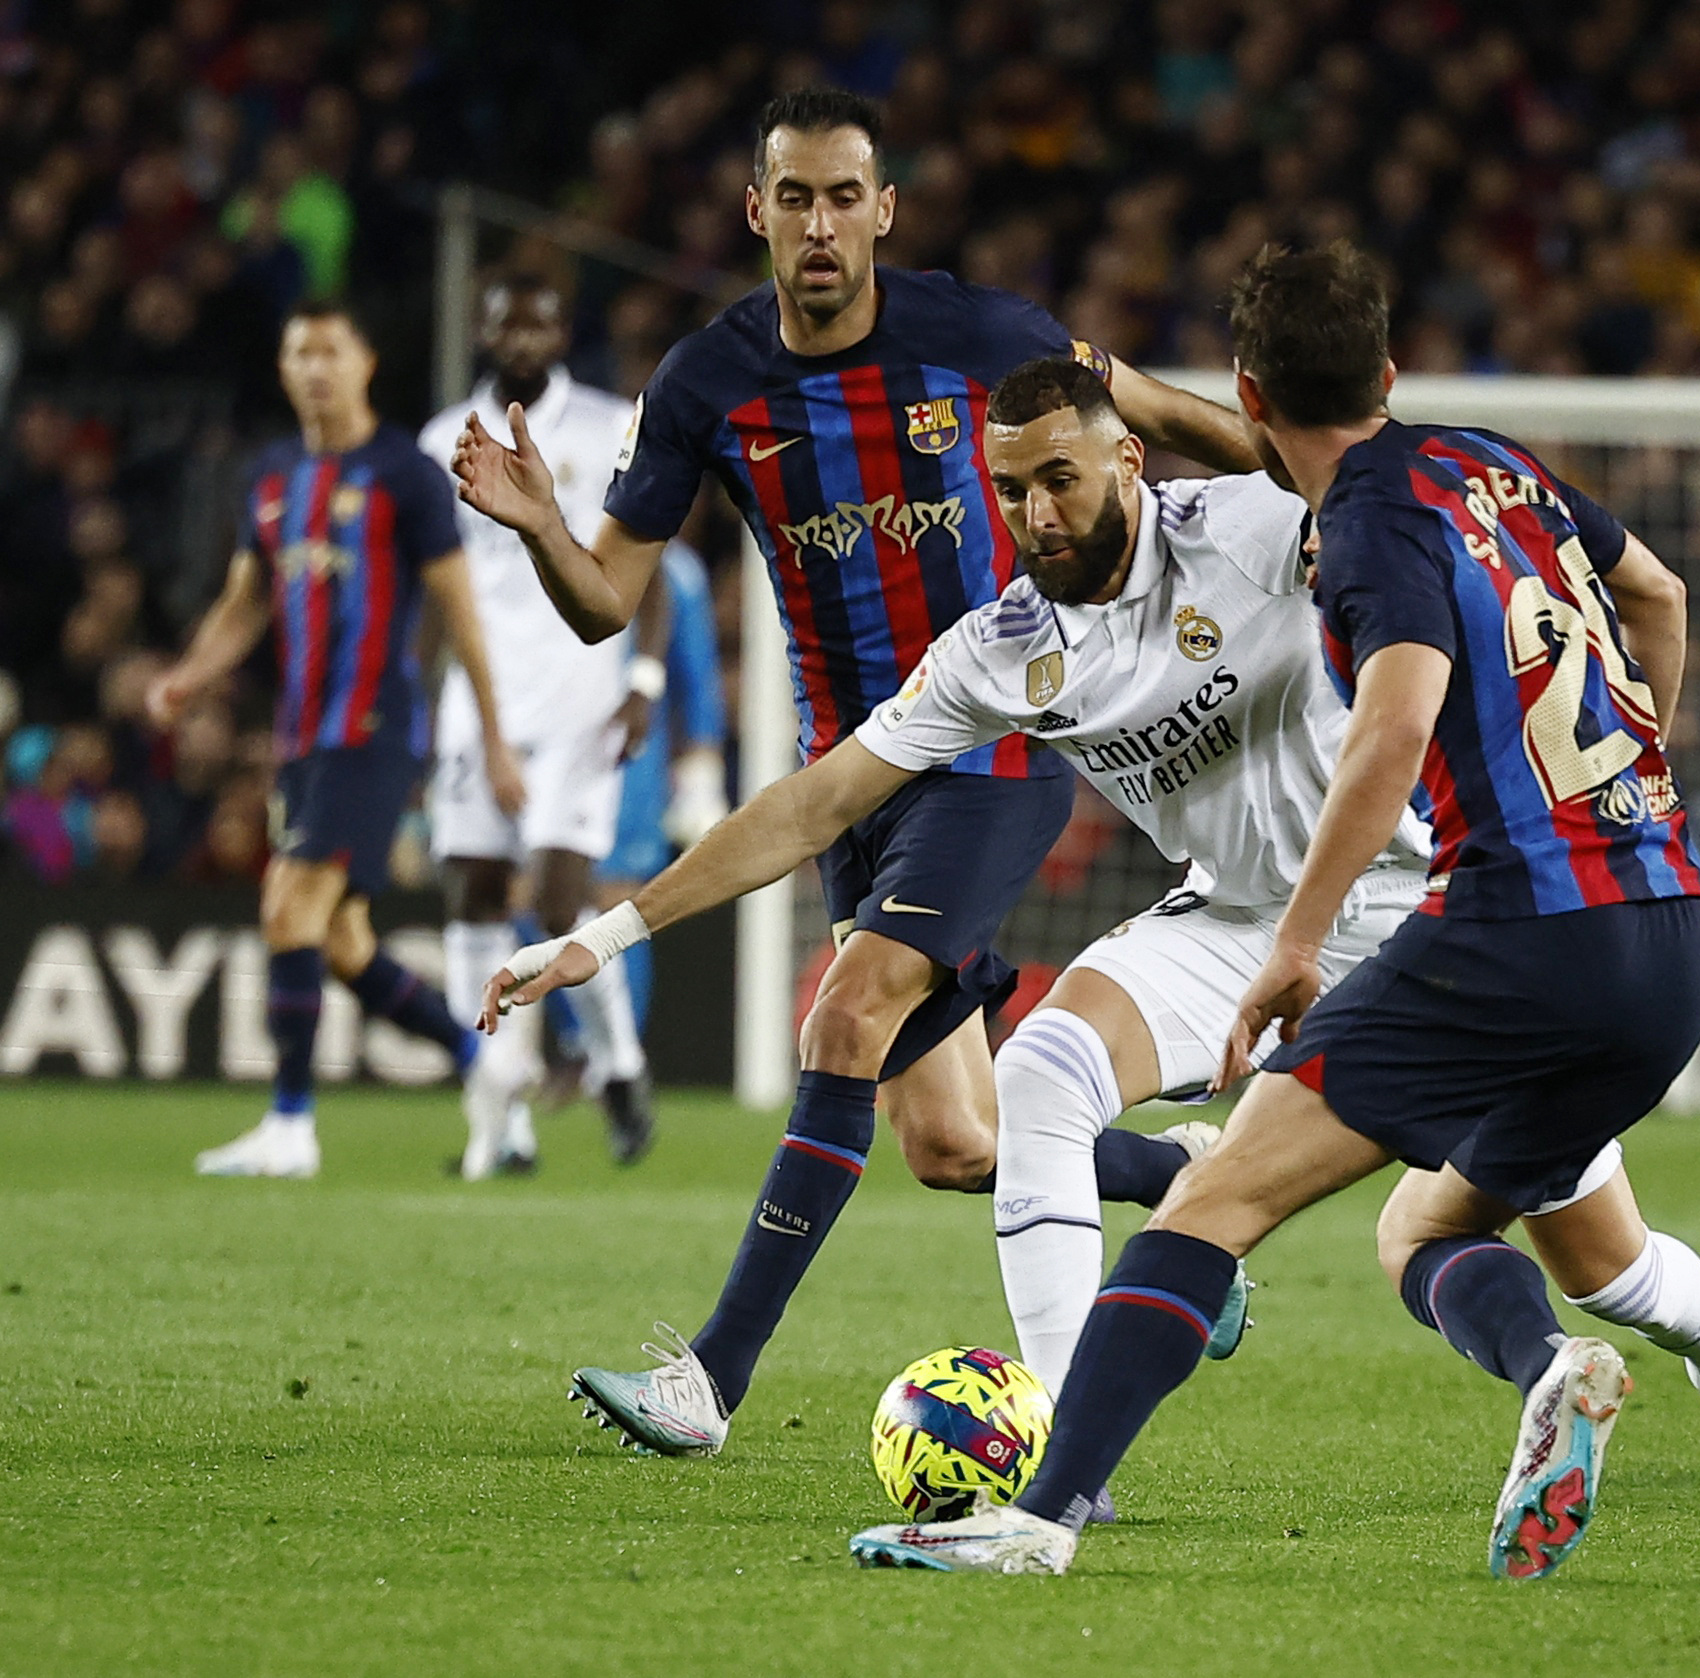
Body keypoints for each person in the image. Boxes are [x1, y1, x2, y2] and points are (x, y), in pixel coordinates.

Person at [842, 243, 1700, 1579]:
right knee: (1464, 1234)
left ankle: (1040, 1522)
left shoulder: (1353, 524)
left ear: (1250, 394)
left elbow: (1390, 726)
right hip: (1663, 920)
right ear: (1387, 370)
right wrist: (1629, 762)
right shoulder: (1492, 461)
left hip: (1489, 929)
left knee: (1207, 1208)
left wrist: (1298, 943)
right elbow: (1656, 591)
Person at [448, 87, 1258, 1453]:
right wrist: (538, 525)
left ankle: (708, 1379)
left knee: (841, 1015)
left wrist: (1309, 487)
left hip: (993, 741)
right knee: (950, 1141)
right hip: (847, 774)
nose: (819, 225)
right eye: (794, 199)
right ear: (754, 211)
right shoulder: (708, 382)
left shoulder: (982, 334)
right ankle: (1179, 1176)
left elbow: (1164, 419)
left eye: (844, 198)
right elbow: (602, 598)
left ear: (882, 210)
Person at [483, 358, 1432, 1497]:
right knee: (1019, 1087)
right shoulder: (1003, 646)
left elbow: (1387, 508)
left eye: (1062, 480)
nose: (1036, 514)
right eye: (1013, 488)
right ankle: (1072, 1470)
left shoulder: (1247, 524)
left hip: (1413, 899)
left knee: (1570, 1223)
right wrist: (612, 932)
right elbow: (811, 804)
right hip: (1231, 920)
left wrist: (1167, 402)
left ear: (1127, 459)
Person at [149, 301, 525, 1179]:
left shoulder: (406, 474)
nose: (314, 367)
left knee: (289, 905)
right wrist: (190, 676)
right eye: (299, 352)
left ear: (367, 362)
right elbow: (246, 601)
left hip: (375, 729)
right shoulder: (273, 476)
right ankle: (489, 1064)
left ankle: (290, 1124)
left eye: (330, 350)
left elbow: (463, 616)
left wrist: (496, 740)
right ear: (283, 369)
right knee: (344, 941)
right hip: (304, 740)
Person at [419, 276, 657, 1176]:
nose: (523, 332)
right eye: (508, 317)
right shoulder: (443, 441)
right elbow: (437, 595)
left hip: (580, 701)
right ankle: (501, 1125)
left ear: (563, 328)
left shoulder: (607, 427)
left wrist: (643, 679)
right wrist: (418, 704)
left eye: (541, 316)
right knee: (474, 897)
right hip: (475, 707)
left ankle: (618, 1066)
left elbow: (648, 557)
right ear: (482, 329)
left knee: (557, 903)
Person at [597, 537, 730, 1033]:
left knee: (616, 900)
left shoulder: (676, 569)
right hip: (550, 744)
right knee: (531, 897)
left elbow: (698, 676)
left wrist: (702, 769)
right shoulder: (553, 545)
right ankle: (573, 1043)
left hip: (631, 759)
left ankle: (621, 1054)